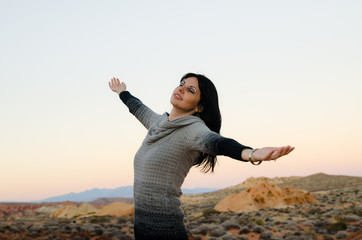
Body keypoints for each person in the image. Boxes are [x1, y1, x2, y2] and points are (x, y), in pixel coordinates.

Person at [108, 73, 294, 240]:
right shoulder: (158, 122)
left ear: (199, 106)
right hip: (141, 228)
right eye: (181, 83)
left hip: (166, 230)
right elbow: (137, 107)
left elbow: (219, 143)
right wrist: (122, 92)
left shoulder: (193, 130)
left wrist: (252, 153)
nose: (181, 88)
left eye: (190, 90)